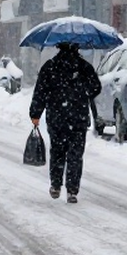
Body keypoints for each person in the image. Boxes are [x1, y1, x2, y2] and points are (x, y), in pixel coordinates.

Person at [29, 42, 100, 204]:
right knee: (75, 154)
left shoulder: (50, 67)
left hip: (56, 117)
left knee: (57, 151)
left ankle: (55, 185)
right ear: (77, 49)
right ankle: (72, 190)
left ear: (58, 47)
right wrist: (82, 91)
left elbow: (40, 91)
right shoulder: (84, 67)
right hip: (78, 117)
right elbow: (96, 87)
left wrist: (35, 113)